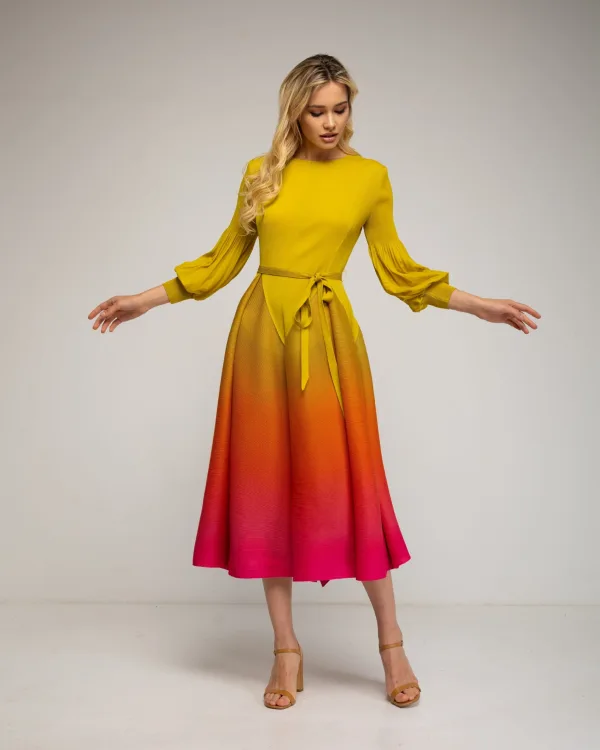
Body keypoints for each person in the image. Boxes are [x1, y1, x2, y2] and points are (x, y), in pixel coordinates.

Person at [88, 53, 541, 711]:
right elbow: (221, 262)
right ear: (294, 113)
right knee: (266, 486)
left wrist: (481, 306)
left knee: (349, 482)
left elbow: (399, 271)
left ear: (351, 108)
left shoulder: (370, 177)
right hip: (260, 340)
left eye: (340, 109)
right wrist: (144, 299)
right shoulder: (262, 172)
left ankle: (391, 643)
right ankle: (285, 649)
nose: (330, 122)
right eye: (316, 111)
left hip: (327, 341)